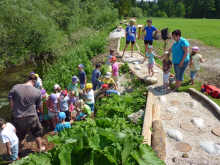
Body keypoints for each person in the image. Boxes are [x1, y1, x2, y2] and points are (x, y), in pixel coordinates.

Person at [8, 73, 45, 151]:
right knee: (37, 133)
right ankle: (40, 148)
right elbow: (40, 107)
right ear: (34, 81)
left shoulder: (15, 87)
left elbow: (11, 101)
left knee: (20, 136)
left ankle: (18, 152)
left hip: (18, 117)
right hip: (31, 117)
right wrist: (41, 112)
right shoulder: (37, 92)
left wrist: (13, 111)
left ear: (28, 79)